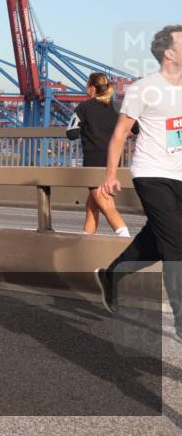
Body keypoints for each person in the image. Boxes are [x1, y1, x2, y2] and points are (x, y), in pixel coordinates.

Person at [95, 25, 182, 339]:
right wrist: (110, 174)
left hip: (180, 173)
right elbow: (120, 133)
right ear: (168, 52)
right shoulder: (143, 89)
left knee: (157, 241)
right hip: (151, 173)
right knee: (176, 245)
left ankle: (113, 274)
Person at [65, 73, 135, 237]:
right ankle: (86, 247)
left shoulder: (84, 107)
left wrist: (87, 129)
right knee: (91, 207)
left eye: (86, 86)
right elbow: (136, 128)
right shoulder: (118, 107)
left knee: (108, 207)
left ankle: (127, 243)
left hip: (93, 162)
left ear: (92, 88)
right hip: (113, 162)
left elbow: (71, 133)